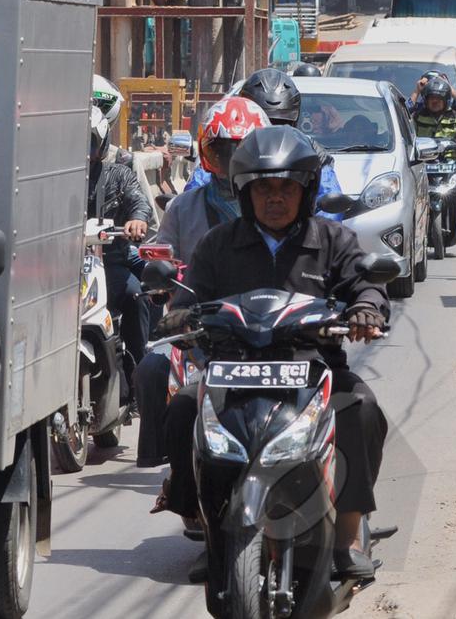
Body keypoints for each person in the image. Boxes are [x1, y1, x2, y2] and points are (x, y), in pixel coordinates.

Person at [156, 126, 390, 580]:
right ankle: (203, 523)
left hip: (314, 369)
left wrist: (365, 309)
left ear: (307, 191)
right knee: (183, 407)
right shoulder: (218, 244)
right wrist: (180, 318)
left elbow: (366, 285)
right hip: (233, 370)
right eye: (264, 188)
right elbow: (188, 298)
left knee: (361, 408)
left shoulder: (333, 240)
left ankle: (346, 537)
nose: (275, 198)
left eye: (286, 188)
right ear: (246, 193)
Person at [133, 97, 270, 469]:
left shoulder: (277, 207)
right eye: (223, 152)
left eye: (242, 153)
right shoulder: (184, 207)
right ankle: (169, 468)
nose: (232, 162)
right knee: (151, 369)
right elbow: (160, 254)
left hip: (266, 324)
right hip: (198, 326)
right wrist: (160, 276)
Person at [185, 68, 346, 221]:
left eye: (281, 124)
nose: (272, 133)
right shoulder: (224, 148)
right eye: (264, 123)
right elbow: (194, 198)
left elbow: (329, 203)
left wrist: (309, 233)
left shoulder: (308, 152)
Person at [86, 107, 154, 396]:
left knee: (136, 295)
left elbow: (138, 201)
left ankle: (139, 377)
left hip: (110, 263)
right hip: (62, 268)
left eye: (88, 143)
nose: (82, 151)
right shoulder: (55, 180)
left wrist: (137, 219)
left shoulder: (118, 175)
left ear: (101, 144)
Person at [412, 77, 456, 233]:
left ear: (446, 100)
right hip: (424, 162)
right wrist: (417, 90)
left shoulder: (455, 115)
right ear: (426, 100)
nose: (435, 101)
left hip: (450, 160)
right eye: (431, 98)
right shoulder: (417, 116)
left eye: (439, 98)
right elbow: (407, 114)